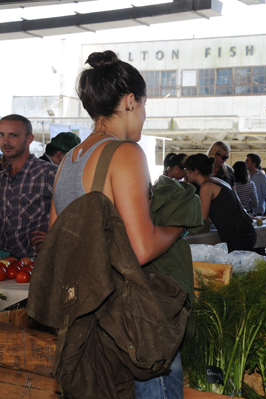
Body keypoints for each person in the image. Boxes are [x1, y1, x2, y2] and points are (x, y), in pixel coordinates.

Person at [49, 51, 188, 398]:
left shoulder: (69, 160)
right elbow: (140, 249)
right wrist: (177, 226)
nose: (143, 115)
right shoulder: (125, 153)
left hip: (84, 323)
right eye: (143, 106)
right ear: (129, 101)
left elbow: (55, 244)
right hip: (130, 323)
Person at [0, 114, 57, 259]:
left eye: (13, 135)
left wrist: (57, 235)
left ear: (29, 139)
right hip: (7, 265)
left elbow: (78, 212)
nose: (5, 141)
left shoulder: (48, 174)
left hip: (40, 264)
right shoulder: (2, 179)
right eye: (1, 134)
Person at [184, 153, 257, 252]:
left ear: (196, 171)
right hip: (245, 231)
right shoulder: (216, 181)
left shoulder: (206, 186)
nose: (186, 173)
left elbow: (203, 217)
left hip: (239, 235)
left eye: (187, 170)